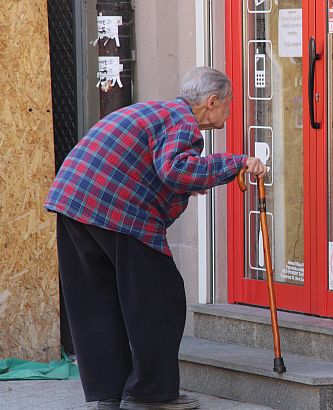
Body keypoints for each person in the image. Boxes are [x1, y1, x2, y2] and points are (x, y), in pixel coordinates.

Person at [44, 67, 265, 410]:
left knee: (97, 301)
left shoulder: (156, 113)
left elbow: (158, 170)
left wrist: (193, 183)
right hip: (115, 210)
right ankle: (152, 393)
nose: (231, 110)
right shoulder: (182, 123)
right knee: (162, 299)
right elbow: (176, 170)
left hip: (73, 200)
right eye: (230, 102)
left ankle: (107, 393)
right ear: (212, 101)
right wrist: (237, 163)